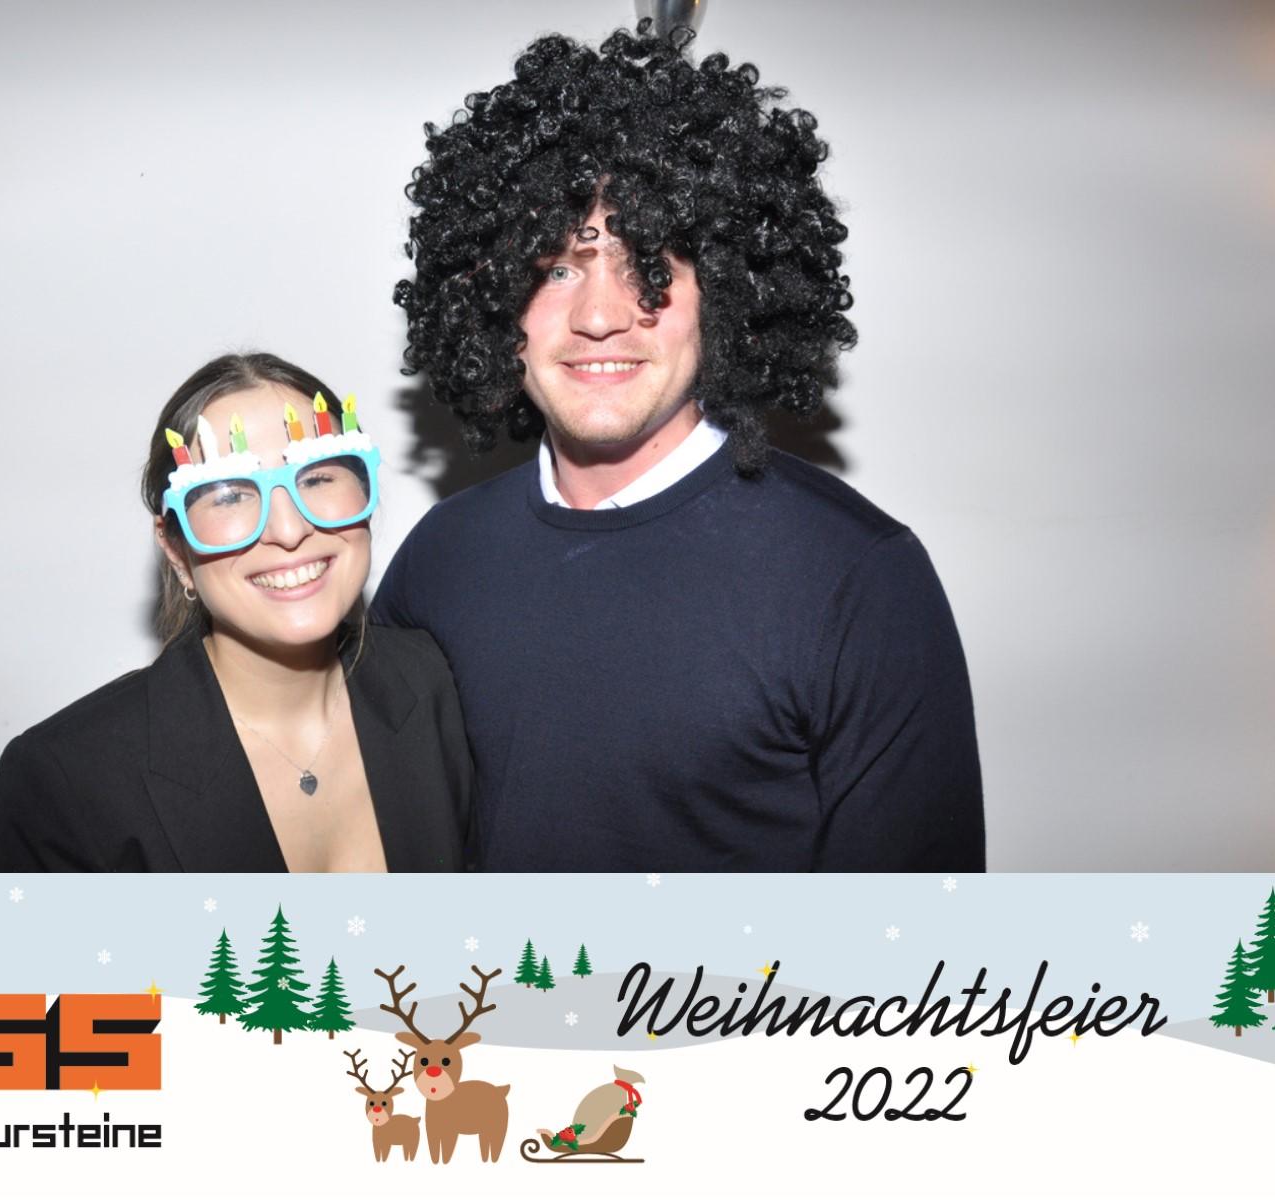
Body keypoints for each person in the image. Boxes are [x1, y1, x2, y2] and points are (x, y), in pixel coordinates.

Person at [372, 24, 984, 870]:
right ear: (494, 296)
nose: (599, 316)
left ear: (726, 292)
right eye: (557, 268)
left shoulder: (859, 580)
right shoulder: (439, 559)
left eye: (649, 262)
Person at [0, 353, 471, 871]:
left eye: (317, 478)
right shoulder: (68, 779)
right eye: (230, 495)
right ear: (176, 552)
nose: (288, 530)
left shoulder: (437, 684)